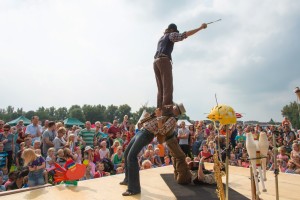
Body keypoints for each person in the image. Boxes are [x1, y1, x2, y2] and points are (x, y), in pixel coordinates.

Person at [120, 103, 188, 196]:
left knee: (131, 156)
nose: (172, 107)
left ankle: (134, 188)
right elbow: (143, 122)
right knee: (127, 153)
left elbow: (163, 131)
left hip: (147, 134)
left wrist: (159, 117)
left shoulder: (172, 119)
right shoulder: (165, 113)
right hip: (142, 131)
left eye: (175, 107)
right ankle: (128, 180)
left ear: (177, 112)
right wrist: (150, 116)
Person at [153, 23, 207, 115]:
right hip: (164, 60)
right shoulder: (171, 34)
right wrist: (200, 28)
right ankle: (166, 111)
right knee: (168, 87)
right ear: (172, 30)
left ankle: (159, 110)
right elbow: (184, 35)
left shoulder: (161, 38)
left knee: (160, 89)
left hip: (155, 62)